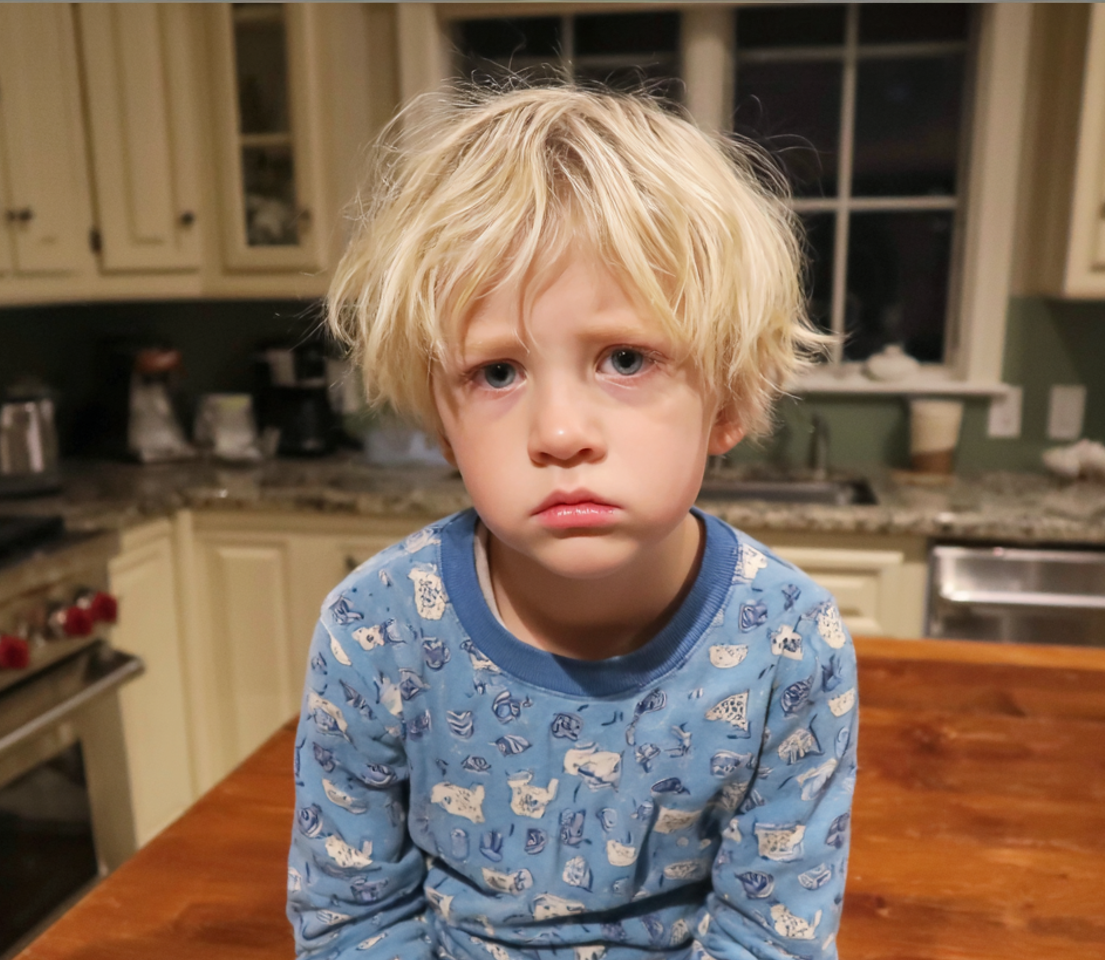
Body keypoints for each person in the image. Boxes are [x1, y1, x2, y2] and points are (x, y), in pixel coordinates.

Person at [287, 85, 858, 960]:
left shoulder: (790, 646)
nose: (558, 433)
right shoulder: (374, 632)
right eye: (497, 373)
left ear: (730, 399)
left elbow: (767, 938)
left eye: (625, 359)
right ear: (444, 423)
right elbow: (352, 920)